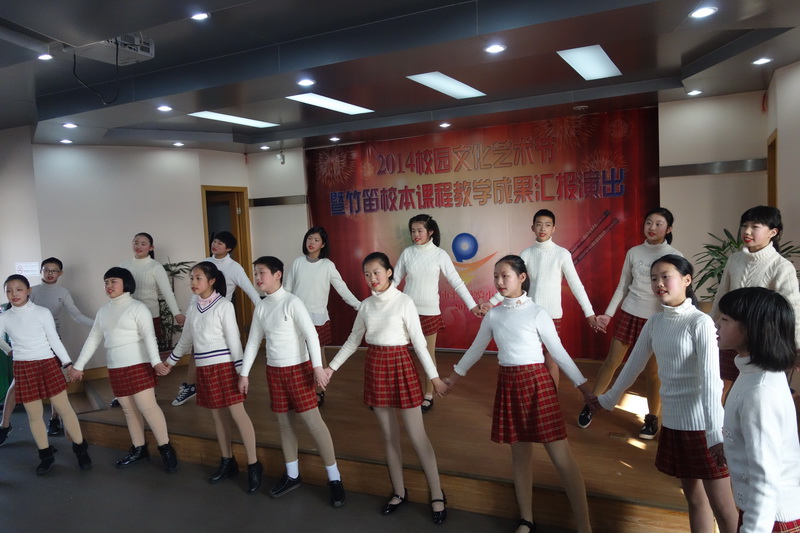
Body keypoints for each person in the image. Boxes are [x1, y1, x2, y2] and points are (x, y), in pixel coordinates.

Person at [444, 255, 594, 533]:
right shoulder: (494, 314)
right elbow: (476, 349)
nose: (499, 281)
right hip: (509, 384)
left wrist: (583, 387)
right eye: (496, 276)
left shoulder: (537, 312)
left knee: (562, 459)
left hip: (537, 384)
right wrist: (452, 378)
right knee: (520, 457)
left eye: (505, 276)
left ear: (522, 278)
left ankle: (585, 527)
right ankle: (526, 518)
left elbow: (559, 353)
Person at [595, 255, 737, 533]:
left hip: (704, 428)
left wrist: (715, 435)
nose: (658, 283)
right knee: (695, 500)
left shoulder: (700, 322)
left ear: (686, 280)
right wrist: (608, 399)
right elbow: (632, 366)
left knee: (723, 506)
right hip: (674, 424)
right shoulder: (655, 322)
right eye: (653, 278)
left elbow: (712, 382)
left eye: (665, 276)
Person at [324, 252, 447, 524]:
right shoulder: (366, 306)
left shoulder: (404, 302)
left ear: (390, 272)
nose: (372, 278)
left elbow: (419, 343)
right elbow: (353, 340)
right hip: (376, 367)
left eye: (376, 272)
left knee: (417, 436)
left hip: (401, 365)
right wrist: (331, 367)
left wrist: (435, 377)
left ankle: (437, 494)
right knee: (389, 437)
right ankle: (399, 492)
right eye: (367, 274)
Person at [240, 256, 345, 507]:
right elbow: (253, 342)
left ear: (277, 274)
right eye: (256, 273)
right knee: (284, 424)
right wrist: (244, 373)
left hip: (299, 369)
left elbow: (311, 334)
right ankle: (293, 475)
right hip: (274, 372)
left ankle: (334, 478)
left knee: (313, 423)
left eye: (262, 272)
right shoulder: (261, 307)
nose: (257, 277)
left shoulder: (292, 302)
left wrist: (317, 367)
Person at [578, 207, 683, 438]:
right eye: (648, 222)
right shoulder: (634, 252)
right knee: (611, 362)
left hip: (657, 319)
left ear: (669, 229)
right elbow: (623, 286)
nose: (652, 228)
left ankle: (652, 419)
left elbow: (677, 292)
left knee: (653, 372)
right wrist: (608, 314)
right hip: (630, 313)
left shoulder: (675, 256)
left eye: (658, 224)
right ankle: (592, 404)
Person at [164, 261, 262, 493]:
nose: (193, 282)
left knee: (238, 415)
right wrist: (170, 362)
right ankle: (228, 461)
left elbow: (234, 341)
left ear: (212, 281)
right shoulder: (193, 307)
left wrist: (242, 373)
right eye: (191, 278)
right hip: (205, 369)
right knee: (217, 417)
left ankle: (254, 464)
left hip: (225, 367)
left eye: (198, 278)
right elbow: (186, 339)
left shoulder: (224, 306)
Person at [68, 267, 177, 473]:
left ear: (126, 283)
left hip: (138, 365)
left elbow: (149, 336)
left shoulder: (138, 308)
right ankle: (139, 448)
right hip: (115, 367)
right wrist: (79, 366)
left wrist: (156, 362)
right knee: (128, 410)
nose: (109, 286)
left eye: (113, 281)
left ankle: (165, 448)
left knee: (148, 408)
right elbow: (93, 339)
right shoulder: (103, 311)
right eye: (106, 282)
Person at [482, 209, 599, 387]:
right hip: (528, 314)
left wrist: (589, 313)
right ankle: (533, 396)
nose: (543, 228)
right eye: (539, 224)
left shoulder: (562, 254)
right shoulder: (526, 254)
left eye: (547, 225)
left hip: (551, 315)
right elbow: (512, 282)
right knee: (531, 359)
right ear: (533, 228)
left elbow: (576, 286)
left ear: (554, 229)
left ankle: (552, 398)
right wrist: (491, 303)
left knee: (551, 360)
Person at [717, 287, 800, 532]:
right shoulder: (752, 373)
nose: (716, 324)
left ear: (751, 329)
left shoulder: (760, 392)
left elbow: (765, 479)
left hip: (771, 518)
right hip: (760, 511)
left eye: (725, 319)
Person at [0, 275, 91, 474]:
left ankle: (81, 449)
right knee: (34, 415)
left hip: (47, 364)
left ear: (28, 291)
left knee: (64, 409)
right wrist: (8, 350)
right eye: (9, 290)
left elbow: (54, 340)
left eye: (19, 289)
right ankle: (45, 455)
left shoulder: (42, 312)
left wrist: (68, 364)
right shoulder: (4, 317)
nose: (14, 294)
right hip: (23, 367)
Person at [393, 214, 481, 413]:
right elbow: (394, 281)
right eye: (413, 231)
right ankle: (398, 392)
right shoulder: (407, 253)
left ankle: (428, 394)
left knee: (427, 355)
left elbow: (456, 282)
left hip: (430, 313)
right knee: (398, 354)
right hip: (406, 311)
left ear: (430, 232)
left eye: (420, 230)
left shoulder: (440, 255)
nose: (416, 234)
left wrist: (472, 306)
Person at [710, 206, 800, 397]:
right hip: (731, 336)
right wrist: (711, 328)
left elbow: (792, 311)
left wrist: (795, 347)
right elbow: (721, 297)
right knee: (720, 388)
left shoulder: (781, 267)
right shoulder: (734, 260)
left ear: (773, 232)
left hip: (761, 340)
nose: (747, 231)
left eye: (755, 226)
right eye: (744, 225)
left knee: (755, 391)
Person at [172, 231, 262, 407]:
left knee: (228, 350)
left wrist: (264, 310)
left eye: (220, 243)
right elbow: (196, 293)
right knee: (195, 350)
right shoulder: (206, 263)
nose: (215, 245)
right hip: (200, 313)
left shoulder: (234, 268)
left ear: (228, 248)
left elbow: (250, 290)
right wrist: (189, 314)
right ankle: (191, 386)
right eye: (214, 241)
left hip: (219, 316)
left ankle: (233, 383)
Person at [284, 226, 361, 405]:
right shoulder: (297, 262)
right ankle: (299, 390)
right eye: (309, 238)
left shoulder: (327, 265)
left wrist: (360, 306)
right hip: (296, 317)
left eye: (316, 240)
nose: (311, 242)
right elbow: (287, 289)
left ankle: (320, 390)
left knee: (317, 355)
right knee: (296, 355)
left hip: (318, 317)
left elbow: (342, 288)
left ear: (323, 244)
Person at [30, 257, 95, 436]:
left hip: (52, 340)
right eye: (46, 270)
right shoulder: (32, 291)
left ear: (61, 273)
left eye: (54, 270)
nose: (50, 274)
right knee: (21, 382)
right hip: (31, 341)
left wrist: (98, 324)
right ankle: (6, 424)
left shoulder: (63, 292)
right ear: (41, 271)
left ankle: (54, 419)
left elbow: (77, 315)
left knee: (55, 379)